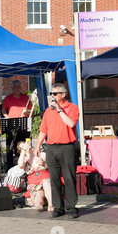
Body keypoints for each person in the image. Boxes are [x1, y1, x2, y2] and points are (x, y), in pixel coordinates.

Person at [33, 83, 80, 219]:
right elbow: (43, 130)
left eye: (55, 94)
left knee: (69, 178)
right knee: (54, 179)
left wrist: (60, 110)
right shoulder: (48, 111)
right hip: (51, 148)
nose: (52, 96)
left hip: (67, 147)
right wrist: (37, 146)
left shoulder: (72, 108)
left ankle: (71, 207)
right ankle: (58, 207)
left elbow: (71, 124)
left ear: (63, 95)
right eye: (51, 93)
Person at [2, 80, 33, 169]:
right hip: (11, 125)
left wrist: (27, 111)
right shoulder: (8, 98)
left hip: (23, 125)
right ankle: (10, 168)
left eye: (19, 87)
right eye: (15, 87)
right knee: (10, 147)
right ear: (12, 88)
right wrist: (6, 116)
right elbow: (3, 110)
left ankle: (24, 166)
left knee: (23, 147)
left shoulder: (25, 97)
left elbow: (32, 111)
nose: (17, 89)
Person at [17, 141, 53, 212]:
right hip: (34, 182)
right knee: (39, 192)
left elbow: (53, 167)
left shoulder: (41, 154)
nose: (26, 146)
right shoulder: (24, 160)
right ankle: (39, 204)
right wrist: (24, 150)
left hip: (45, 177)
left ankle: (51, 204)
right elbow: (20, 165)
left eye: (26, 144)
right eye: (23, 146)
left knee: (46, 183)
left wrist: (44, 164)